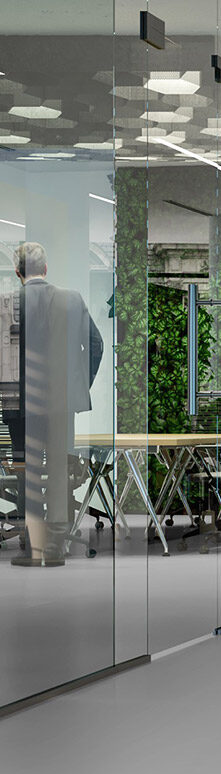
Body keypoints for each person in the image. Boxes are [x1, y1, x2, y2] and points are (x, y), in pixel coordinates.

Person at [12, 241, 102, 566]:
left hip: (22, 403)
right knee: (60, 468)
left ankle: (32, 543)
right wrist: (77, 387)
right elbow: (96, 345)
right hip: (62, 402)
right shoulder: (72, 299)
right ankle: (56, 544)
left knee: (29, 472)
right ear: (45, 269)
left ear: (18, 271)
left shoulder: (10, 303)